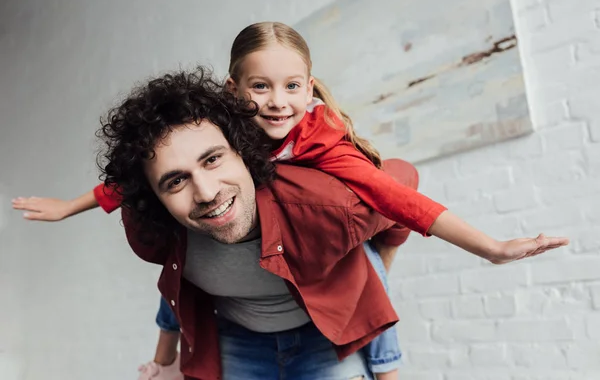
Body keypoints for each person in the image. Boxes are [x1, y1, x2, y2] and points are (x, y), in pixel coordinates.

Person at [96, 66, 566, 379]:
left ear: (243, 149)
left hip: (325, 340)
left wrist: (382, 261)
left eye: (214, 159)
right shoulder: (153, 230)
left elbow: (402, 185)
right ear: (154, 198)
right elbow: (174, 291)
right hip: (237, 339)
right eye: (176, 181)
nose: (206, 192)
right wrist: (167, 364)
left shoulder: (331, 206)